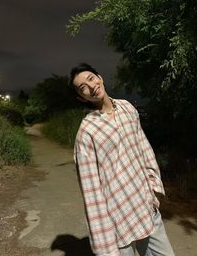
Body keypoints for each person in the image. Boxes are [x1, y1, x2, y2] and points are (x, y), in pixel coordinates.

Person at [69, 63, 175, 256]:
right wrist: (106, 247)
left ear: (100, 77)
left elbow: (144, 148)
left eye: (91, 78)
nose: (91, 86)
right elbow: (91, 193)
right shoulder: (86, 133)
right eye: (83, 87)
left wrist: (152, 186)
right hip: (117, 222)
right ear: (81, 97)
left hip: (146, 209)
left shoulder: (127, 108)